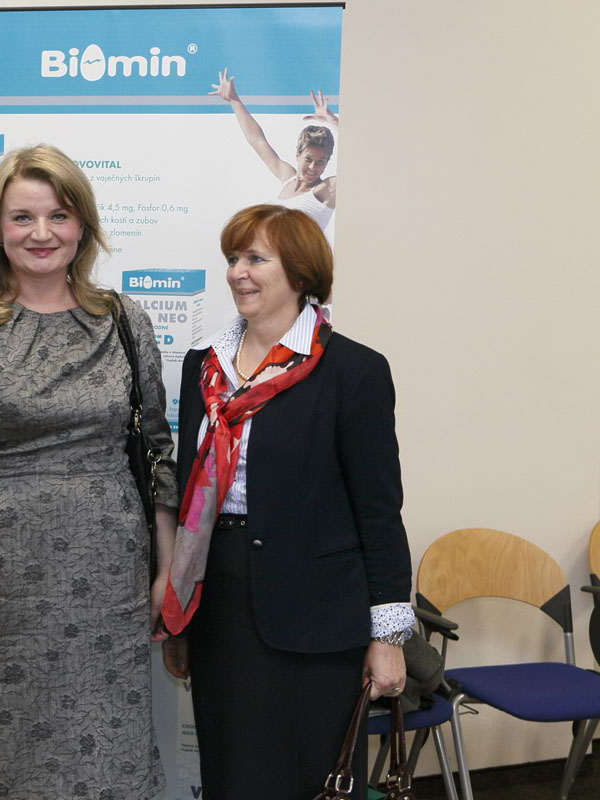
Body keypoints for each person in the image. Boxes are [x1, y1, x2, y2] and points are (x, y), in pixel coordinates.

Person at [0, 144, 179, 800]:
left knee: (110, 767)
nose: (42, 233)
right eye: (22, 217)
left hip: (109, 593)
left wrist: (167, 572)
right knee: (1, 771)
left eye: (58, 215)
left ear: (82, 224)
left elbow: (156, 455)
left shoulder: (124, 322)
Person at [161, 204, 412, 799]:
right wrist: (179, 612)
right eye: (232, 258)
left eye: (256, 258)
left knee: (309, 777)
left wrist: (388, 637)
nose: (237, 272)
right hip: (219, 602)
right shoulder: (203, 367)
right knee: (231, 775)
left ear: (299, 271)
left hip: (316, 617)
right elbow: (191, 497)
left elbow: (378, 512)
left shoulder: (353, 370)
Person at [210, 68, 339, 231]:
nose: (313, 167)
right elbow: (257, 140)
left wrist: (333, 121)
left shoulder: (325, 189)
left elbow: (360, 156)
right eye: (308, 159)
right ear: (298, 155)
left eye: (320, 162)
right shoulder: (288, 177)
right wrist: (233, 99)